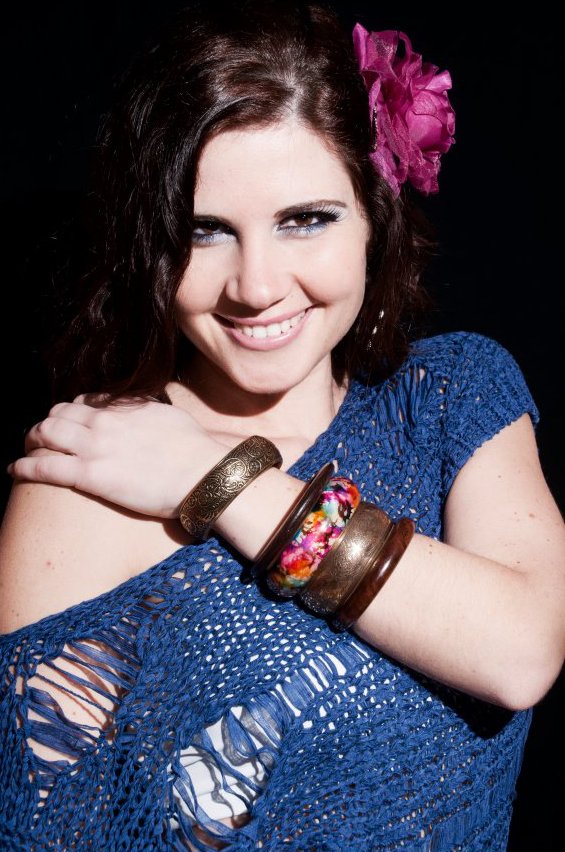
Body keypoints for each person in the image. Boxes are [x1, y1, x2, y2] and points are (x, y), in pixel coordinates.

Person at [1, 1, 564, 849]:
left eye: (305, 219)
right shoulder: (90, 477)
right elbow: (52, 827)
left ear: (373, 218)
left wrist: (219, 483)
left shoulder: (450, 398)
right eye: (204, 232)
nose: (256, 286)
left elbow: (517, 653)